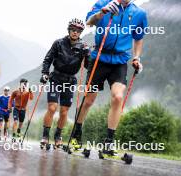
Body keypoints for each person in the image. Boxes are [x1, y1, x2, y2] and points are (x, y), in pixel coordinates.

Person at [71, 0, 147, 155]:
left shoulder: (139, 13)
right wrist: (102, 12)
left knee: (118, 97)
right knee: (89, 100)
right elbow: (89, 22)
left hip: (120, 60)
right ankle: (76, 134)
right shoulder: (103, 3)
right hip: (99, 57)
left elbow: (138, 38)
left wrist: (137, 58)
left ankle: (109, 142)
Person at [40, 18, 90, 148]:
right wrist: (45, 73)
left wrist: (87, 54)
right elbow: (48, 59)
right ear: (69, 30)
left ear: (81, 32)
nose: (75, 32)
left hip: (70, 81)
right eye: (73, 29)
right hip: (56, 78)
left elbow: (88, 66)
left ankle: (58, 136)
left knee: (64, 111)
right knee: (52, 108)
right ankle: (45, 135)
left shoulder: (83, 46)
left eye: (78, 30)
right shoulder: (59, 43)